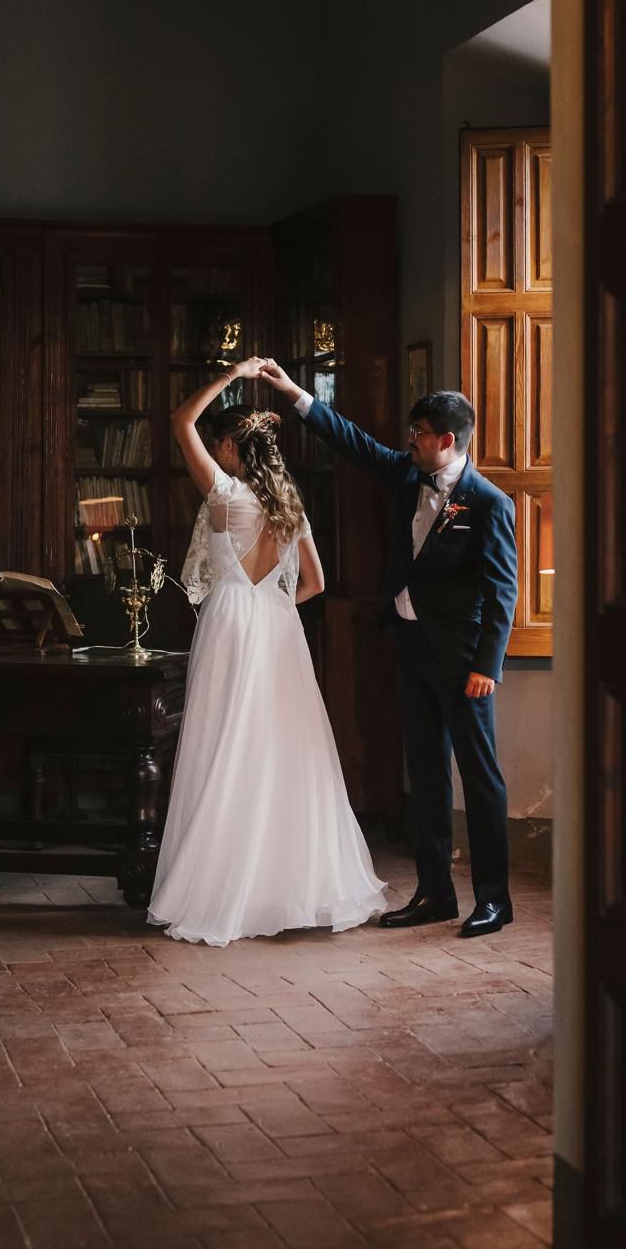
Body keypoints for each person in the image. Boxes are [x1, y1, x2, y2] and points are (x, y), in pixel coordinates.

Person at [259, 362, 518, 938]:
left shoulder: (490, 503)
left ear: (447, 440)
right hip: (410, 647)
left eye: (419, 432)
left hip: (463, 660)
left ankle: (494, 900)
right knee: (424, 774)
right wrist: (296, 396)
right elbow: (352, 442)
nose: (410, 440)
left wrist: (487, 666)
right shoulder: (406, 475)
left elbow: (503, 592)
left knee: (480, 778)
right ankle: (434, 893)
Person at [147, 356, 387, 947]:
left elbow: (181, 422)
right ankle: (289, 884)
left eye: (221, 443)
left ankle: (223, 884)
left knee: (224, 740)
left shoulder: (226, 495)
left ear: (230, 447)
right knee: (281, 748)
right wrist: (274, 609)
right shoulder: (290, 505)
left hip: (231, 621)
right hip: (279, 627)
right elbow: (316, 584)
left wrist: (231, 377)